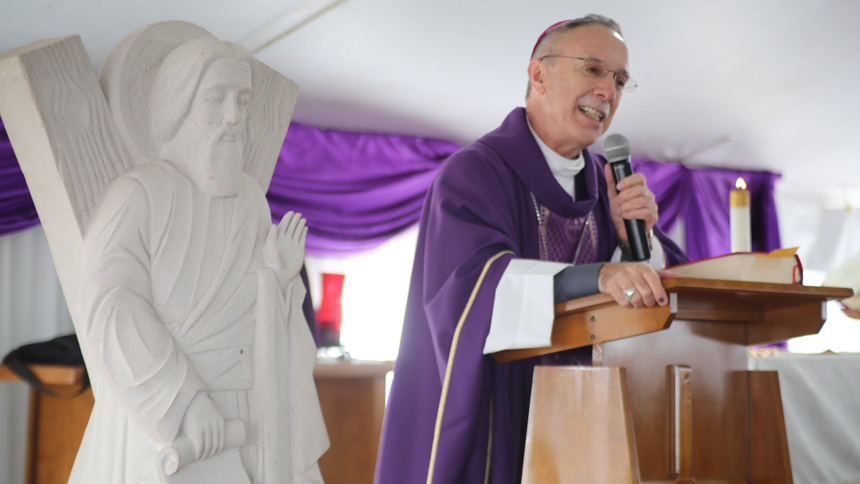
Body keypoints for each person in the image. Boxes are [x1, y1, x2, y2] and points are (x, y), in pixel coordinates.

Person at [375, 15, 689, 484]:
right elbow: (470, 290)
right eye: (593, 70)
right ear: (538, 75)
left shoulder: (611, 187)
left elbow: (672, 296)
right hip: (497, 410)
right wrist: (598, 276)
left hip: (589, 422)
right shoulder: (475, 172)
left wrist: (633, 245)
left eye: (620, 80)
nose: (609, 91)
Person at [69, 33, 326, 483]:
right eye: (216, 98)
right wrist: (184, 401)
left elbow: (254, 312)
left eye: (242, 100)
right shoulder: (138, 195)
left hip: (246, 415)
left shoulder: (250, 201)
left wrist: (279, 281)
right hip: (168, 420)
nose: (233, 116)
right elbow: (112, 306)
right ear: (178, 104)